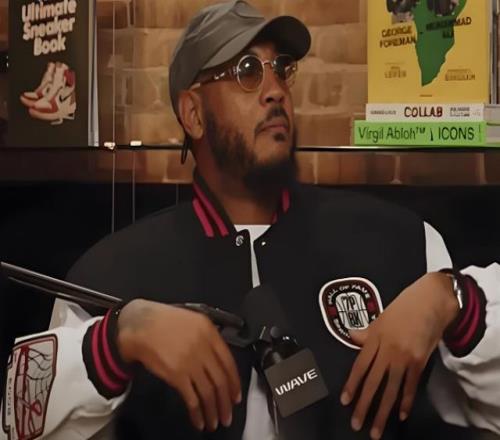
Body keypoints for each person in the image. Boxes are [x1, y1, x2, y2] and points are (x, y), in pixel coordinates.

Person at [1, 1, 499, 439]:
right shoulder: (109, 272)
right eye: (246, 71)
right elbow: (22, 418)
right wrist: (116, 340)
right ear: (193, 114)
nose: (275, 89)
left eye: (281, 69)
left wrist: (454, 299)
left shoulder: (401, 241)